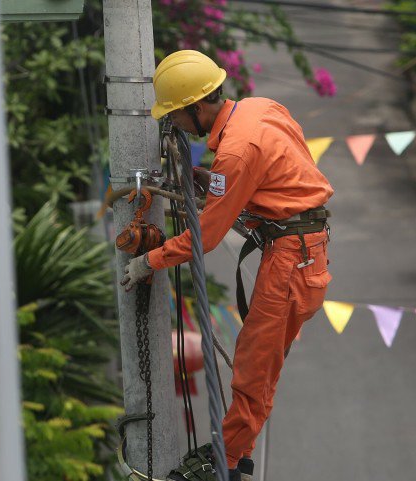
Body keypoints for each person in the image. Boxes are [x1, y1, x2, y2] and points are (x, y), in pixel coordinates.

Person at [121, 50, 334, 481]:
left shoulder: (236, 153)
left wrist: (149, 261)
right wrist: (220, 183)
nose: (175, 126)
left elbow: (208, 236)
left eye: (176, 117)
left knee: (254, 370)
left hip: (292, 260)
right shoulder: (261, 109)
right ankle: (233, 452)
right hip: (302, 251)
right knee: (258, 364)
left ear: (197, 108)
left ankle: (227, 459)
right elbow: (282, 173)